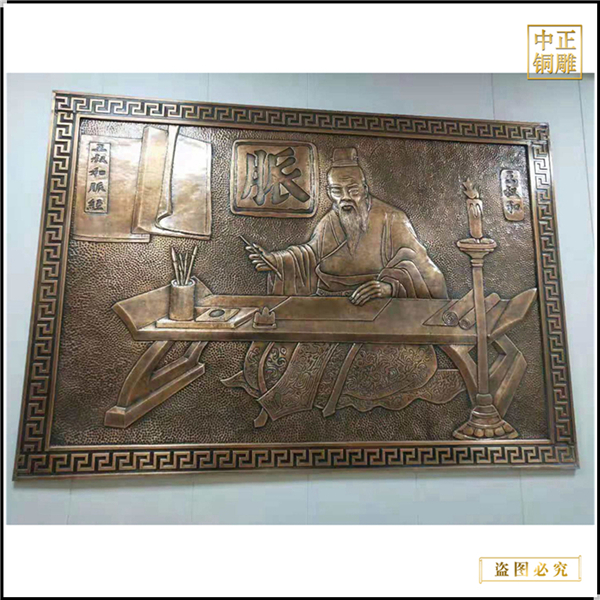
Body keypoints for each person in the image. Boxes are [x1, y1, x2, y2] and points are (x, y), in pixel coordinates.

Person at [223, 148, 464, 427]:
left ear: (365, 188)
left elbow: (423, 267)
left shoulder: (393, 219)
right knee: (278, 351)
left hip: (382, 318)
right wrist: (275, 260)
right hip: (330, 308)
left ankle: (300, 402)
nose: (345, 198)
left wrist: (389, 286)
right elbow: (310, 253)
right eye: (337, 191)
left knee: (396, 362)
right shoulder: (330, 221)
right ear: (329, 192)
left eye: (352, 190)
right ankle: (295, 392)